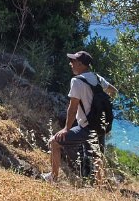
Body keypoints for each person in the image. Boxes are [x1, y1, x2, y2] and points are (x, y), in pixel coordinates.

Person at [43, 51, 118, 184]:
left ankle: (53, 178)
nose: (70, 64)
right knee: (97, 156)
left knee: (54, 142)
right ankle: (100, 187)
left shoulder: (77, 81)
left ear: (81, 64)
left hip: (86, 128)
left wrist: (66, 128)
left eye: (73, 61)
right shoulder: (97, 77)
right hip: (100, 125)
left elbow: (72, 108)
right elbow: (113, 91)